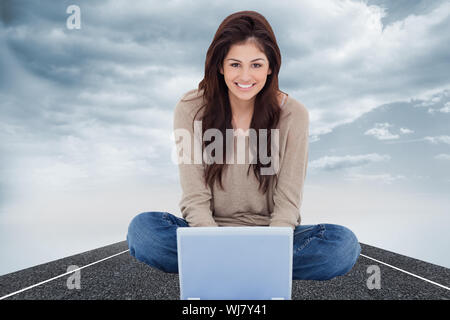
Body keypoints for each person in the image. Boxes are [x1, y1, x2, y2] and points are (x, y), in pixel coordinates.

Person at [127, 10, 361, 281]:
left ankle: (223, 268)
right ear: (220, 66)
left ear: (271, 66)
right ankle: (254, 270)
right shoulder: (190, 109)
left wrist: (272, 247)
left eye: (257, 65)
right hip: (208, 233)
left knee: (341, 246)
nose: (246, 76)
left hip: (271, 235)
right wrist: (211, 243)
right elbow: (194, 197)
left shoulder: (294, 114)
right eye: (235, 64)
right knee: (143, 231)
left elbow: (288, 202)